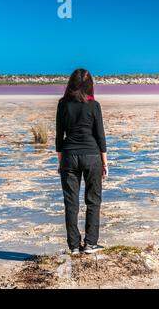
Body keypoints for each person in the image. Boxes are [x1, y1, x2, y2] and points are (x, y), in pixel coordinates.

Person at [56, 69, 108, 255]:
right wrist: (104, 162)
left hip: (69, 156)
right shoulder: (94, 105)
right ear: (90, 85)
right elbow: (100, 136)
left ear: (70, 84)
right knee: (93, 201)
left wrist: (60, 161)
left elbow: (59, 137)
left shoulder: (63, 105)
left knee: (71, 203)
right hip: (92, 156)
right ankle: (90, 244)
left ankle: (74, 246)